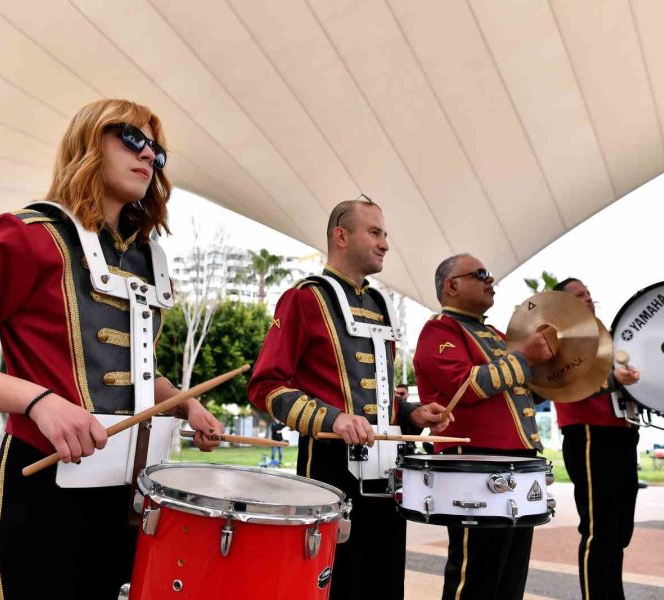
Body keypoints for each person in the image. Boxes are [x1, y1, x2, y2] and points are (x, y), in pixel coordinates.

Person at [0, 99, 223, 600]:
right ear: (88, 140)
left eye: (157, 151)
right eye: (132, 138)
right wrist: (39, 401)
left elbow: (135, 371)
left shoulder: (147, 260)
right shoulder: (27, 235)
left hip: (132, 506)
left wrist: (183, 403)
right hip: (42, 504)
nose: (148, 155)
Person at [247, 195, 452, 600]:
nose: (385, 244)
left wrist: (412, 414)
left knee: (384, 583)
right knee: (336, 583)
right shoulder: (304, 298)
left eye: (385, 234)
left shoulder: (379, 303)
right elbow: (264, 386)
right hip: (328, 468)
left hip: (386, 469)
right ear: (341, 236)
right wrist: (333, 419)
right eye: (375, 233)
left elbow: (376, 395)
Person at [413, 253, 553, 600]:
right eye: (480, 274)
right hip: (474, 462)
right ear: (451, 286)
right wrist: (524, 358)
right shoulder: (440, 329)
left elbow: (522, 391)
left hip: (517, 463)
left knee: (510, 577)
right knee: (475, 577)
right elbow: (466, 385)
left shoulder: (496, 335)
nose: (490, 280)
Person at [552, 277, 641, 600]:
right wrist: (614, 380)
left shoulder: (605, 336)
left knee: (618, 531)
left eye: (588, 293)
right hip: (589, 435)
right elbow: (570, 381)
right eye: (579, 295)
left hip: (622, 432)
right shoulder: (558, 338)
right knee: (599, 530)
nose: (588, 298)